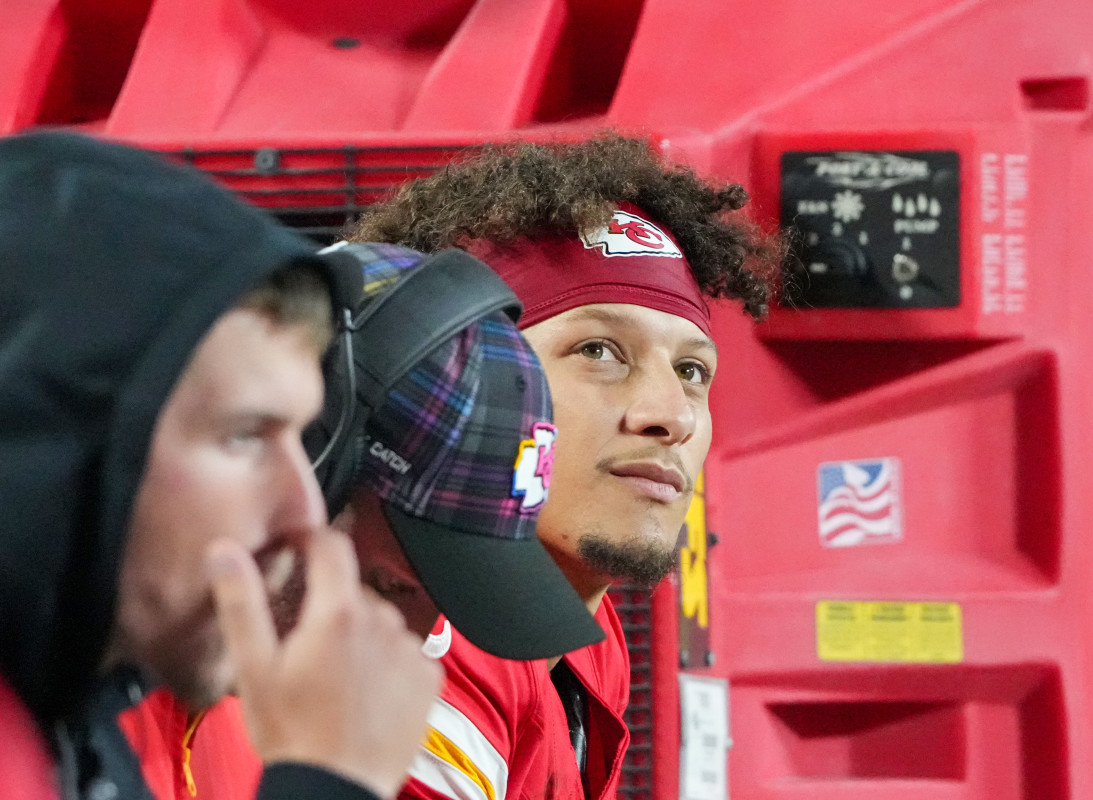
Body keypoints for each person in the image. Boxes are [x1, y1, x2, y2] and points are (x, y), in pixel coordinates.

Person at [0, 130, 442, 800]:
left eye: (300, 434)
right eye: (242, 436)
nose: (302, 509)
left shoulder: (69, 723)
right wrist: (327, 782)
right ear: (54, 450)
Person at [345, 134, 779, 800]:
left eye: (692, 371)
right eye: (600, 351)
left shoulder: (586, 631)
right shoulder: (403, 635)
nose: (673, 415)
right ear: (460, 379)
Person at [118, 241, 608, 800]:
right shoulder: (51, 694)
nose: (407, 643)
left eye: (442, 608)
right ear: (299, 468)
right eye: (391, 585)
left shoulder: (244, 714)